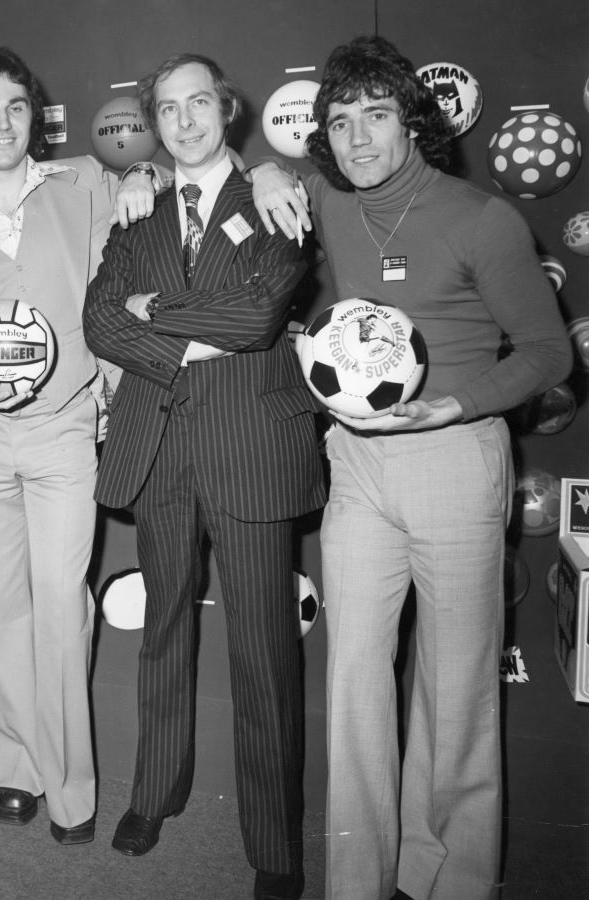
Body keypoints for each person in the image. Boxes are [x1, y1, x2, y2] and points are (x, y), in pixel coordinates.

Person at [250, 35, 572, 900]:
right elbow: (254, 186)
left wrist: (456, 405)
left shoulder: (481, 217)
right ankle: (359, 881)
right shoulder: (320, 195)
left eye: (377, 117)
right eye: (340, 121)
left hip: (455, 458)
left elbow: (548, 354)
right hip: (354, 460)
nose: (357, 140)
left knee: (456, 687)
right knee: (355, 675)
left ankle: (450, 881)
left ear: (414, 124)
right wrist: (265, 174)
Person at [83, 53, 326, 900]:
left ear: (226, 108)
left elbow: (260, 317)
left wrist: (158, 313)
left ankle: (274, 844)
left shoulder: (276, 195)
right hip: (159, 450)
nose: (184, 121)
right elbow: (99, 322)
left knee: (263, 650)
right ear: (152, 121)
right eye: (167, 109)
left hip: (250, 447)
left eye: (198, 104)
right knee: (164, 634)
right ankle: (156, 792)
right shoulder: (138, 204)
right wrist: (170, 326)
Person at [0, 46, 154, 846]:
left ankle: (70, 787)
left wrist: (149, 179)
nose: (3, 122)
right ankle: (12, 768)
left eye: (16, 105)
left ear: (34, 115)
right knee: (2, 612)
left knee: (59, 605)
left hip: (62, 434)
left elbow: (159, 195)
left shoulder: (86, 183)